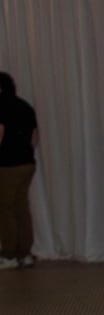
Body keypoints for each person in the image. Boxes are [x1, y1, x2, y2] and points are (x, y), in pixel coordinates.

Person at [0, 70, 39, 269]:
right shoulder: (25, 106)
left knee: (6, 209)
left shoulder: (1, 106)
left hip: (8, 165)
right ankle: (25, 253)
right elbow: (34, 137)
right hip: (27, 163)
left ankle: (9, 255)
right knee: (21, 207)